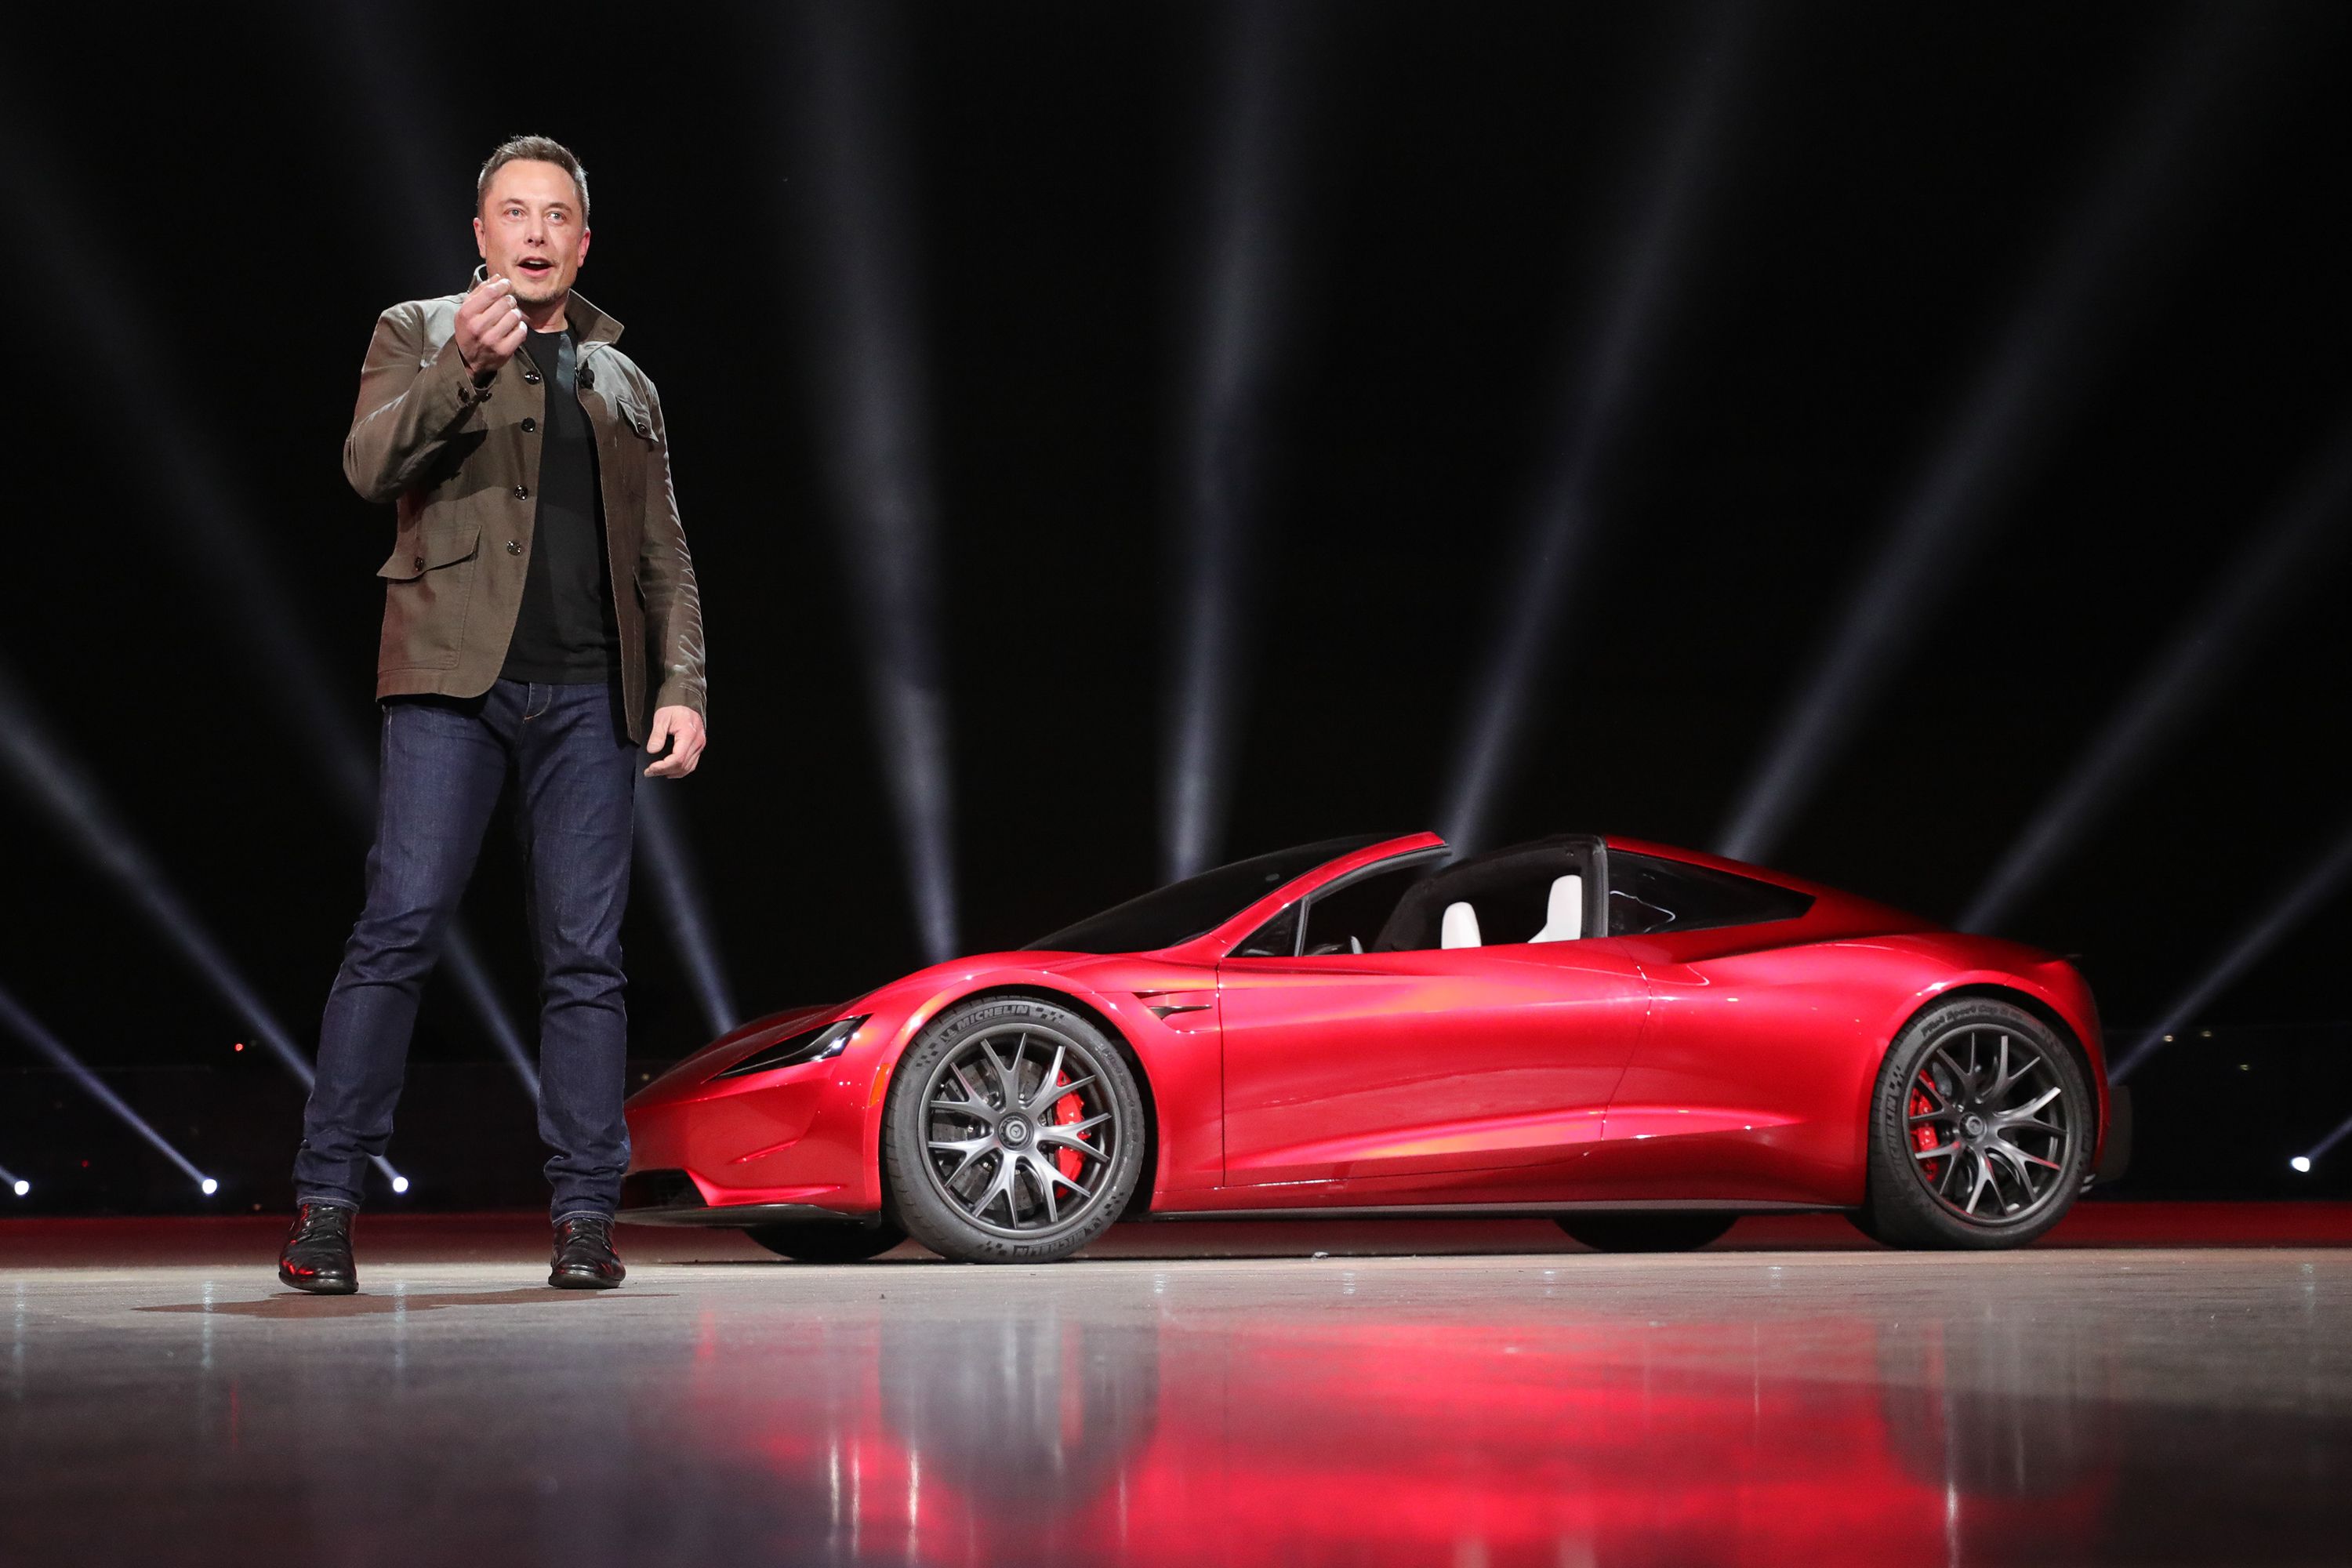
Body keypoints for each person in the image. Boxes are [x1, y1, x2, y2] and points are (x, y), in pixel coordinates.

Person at [278, 135, 708, 1294]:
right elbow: (370, 468)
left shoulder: (625, 380)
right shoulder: (417, 331)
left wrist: (681, 687)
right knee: (402, 921)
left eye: (554, 215)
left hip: (591, 694)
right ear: (480, 235)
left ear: (580, 239)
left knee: (585, 958)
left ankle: (583, 1219)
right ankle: (326, 1206)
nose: (532, 232)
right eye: (511, 213)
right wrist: (461, 366)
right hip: (448, 680)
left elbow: (665, 552)